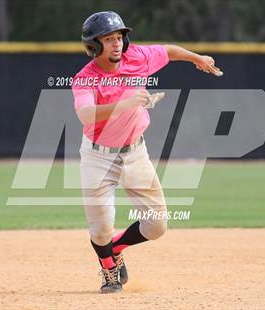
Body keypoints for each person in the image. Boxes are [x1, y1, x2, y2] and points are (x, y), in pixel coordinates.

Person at [72, 11, 222, 294]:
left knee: (157, 226)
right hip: (98, 156)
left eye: (119, 37)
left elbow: (168, 51)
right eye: (108, 39)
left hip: (135, 153)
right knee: (101, 227)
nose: (117, 43)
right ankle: (109, 269)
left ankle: (114, 249)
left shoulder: (137, 57)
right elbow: (85, 114)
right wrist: (123, 104)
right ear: (93, 45)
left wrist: (196, 58)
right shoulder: (85, 78)